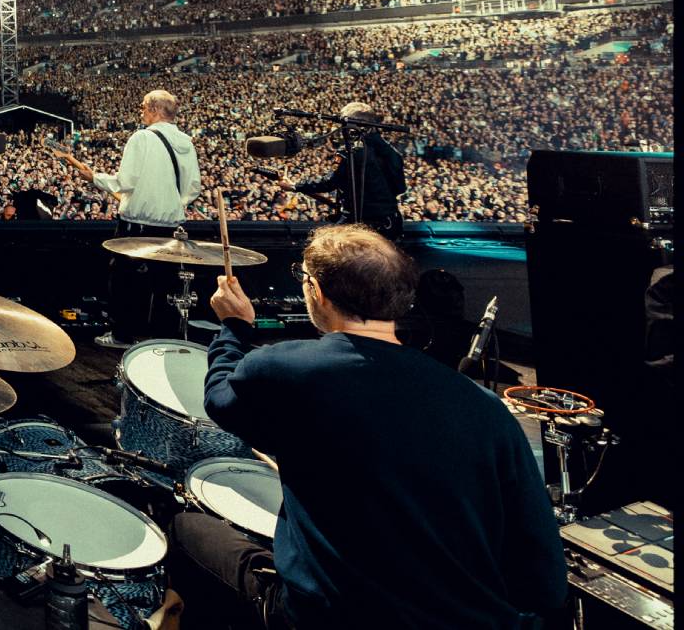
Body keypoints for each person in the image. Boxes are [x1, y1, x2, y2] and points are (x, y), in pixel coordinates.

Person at [167, 224, 566, 629]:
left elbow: (220, 398)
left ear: (316, 292)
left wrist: (234, 326)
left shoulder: (285, 369)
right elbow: (544, 584)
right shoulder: (486, 408)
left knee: (186, 527)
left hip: (329, 617)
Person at [53, 89, 201, 348]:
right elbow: (194, 186)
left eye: (143, 107)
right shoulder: (186, 142)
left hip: (137, 225)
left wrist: (95, 178)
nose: (141, 112)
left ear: (154, 109)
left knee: (125, 280)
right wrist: (170, 204)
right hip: (171, 225)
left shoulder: (141, 138)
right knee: (164, 285)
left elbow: (126, 181)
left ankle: (123, 335)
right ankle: (163, 338)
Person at [275, 102, 407, 238]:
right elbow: (400, 189)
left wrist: (294, 186)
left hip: (361, 225)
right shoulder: (392, 152)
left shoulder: (350, 151)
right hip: (391, 223)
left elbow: (329, 183)